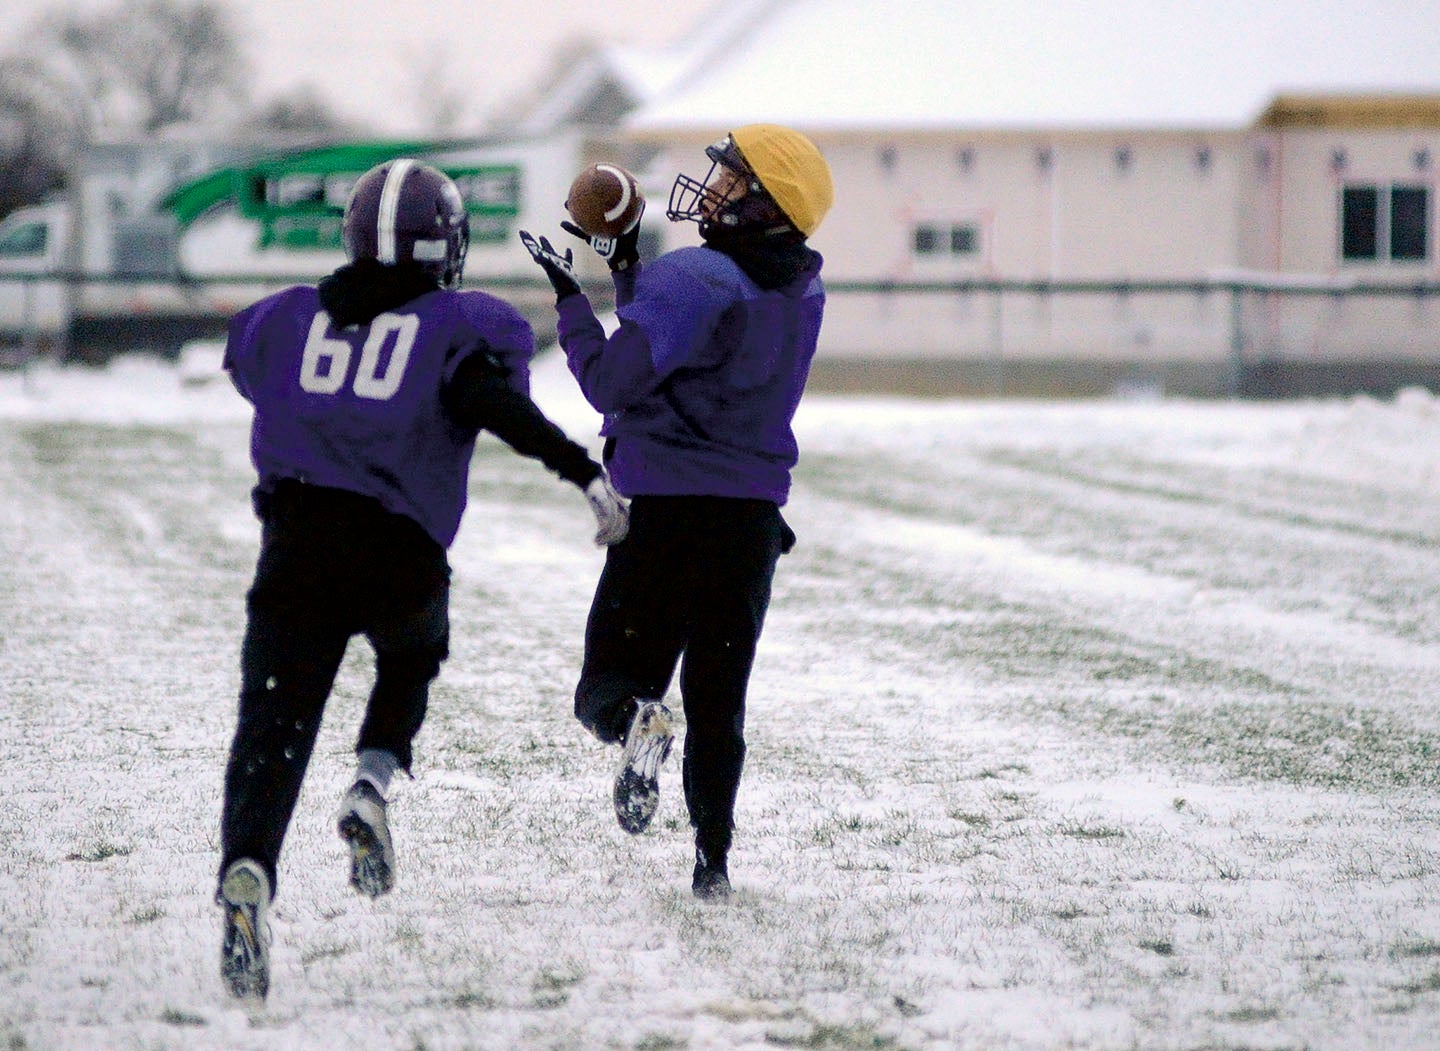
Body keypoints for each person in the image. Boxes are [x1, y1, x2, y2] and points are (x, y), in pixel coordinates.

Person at [216, 157, 628, 1001]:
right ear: (447, 248)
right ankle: (372, 778)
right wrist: (582, 472)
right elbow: (492, 405)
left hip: (295, 542)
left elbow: (256, 371)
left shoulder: (285, 318)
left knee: (273, 727)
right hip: (397, 549)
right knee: (411, 654)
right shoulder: (458, 325)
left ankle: (247, 867)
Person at [519, 124, 834, 900]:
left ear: (766, 205)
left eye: (733, 181)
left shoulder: (699, 275)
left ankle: (637, 720)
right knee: (720, 700)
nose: (714, 188)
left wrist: (570, 299)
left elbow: (614, 381)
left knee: (607, 689)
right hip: (750, 521)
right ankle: (712, 860)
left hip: (664, 513)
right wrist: (628, 270)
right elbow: (689, 344)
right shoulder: (801, 287)